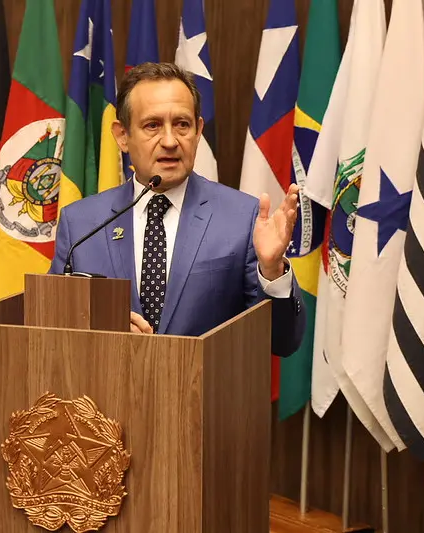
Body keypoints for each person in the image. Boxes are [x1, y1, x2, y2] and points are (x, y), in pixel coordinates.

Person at [49, 62, 305, 357]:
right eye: (152, 125)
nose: (170, 141)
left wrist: (272, 271)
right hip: (103, 398)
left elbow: (282, 342)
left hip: (205, 398)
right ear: (122, 135)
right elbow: (52, 328)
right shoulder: (81, 224)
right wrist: (103, 328)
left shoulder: (241, 219)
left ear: (198, 131)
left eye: (182, 124)